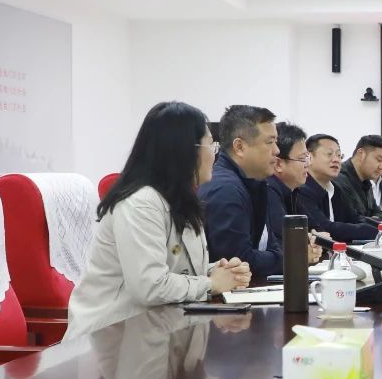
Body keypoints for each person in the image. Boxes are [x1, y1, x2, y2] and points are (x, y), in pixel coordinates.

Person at [67, 101, 250, 338]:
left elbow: (177, 266)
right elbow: (149, 286)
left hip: (155, 328)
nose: (214, 154)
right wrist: (211, 283)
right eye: (211, 145)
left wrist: (222, 271)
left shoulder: (180, 200)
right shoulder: (141, 203)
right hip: (111, 335)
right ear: (187, 151)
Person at [199, 105, 285, 277]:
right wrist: (290, 258)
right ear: (239, 147)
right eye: (270, 142)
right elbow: (237, 261)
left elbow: (270, 245)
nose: (277, 150)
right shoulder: (225, 190)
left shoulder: (255, 182)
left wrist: (283, 257)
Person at [298, 133, 378, 242]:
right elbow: (325, 228)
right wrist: (375, 232)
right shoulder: (301, 189)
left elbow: (353, 219)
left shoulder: (335, 189)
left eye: (339, 155)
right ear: (309, 157)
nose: (336, 160)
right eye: (329, 154)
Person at [264, 122, 325, 261]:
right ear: (278, 164)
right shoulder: (268, 191)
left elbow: (317, 230)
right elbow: (284, 243)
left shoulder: (292, 190)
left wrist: (312, 238)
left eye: (308, 158)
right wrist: (306, 246)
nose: (308, 164)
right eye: (302, 159)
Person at [334, 135, 382, 230]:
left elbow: (376, 212)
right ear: (361, 154)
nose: (381, 167)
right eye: (379, 160)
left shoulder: (365, 179)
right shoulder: (339, 178)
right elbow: (353, 219)